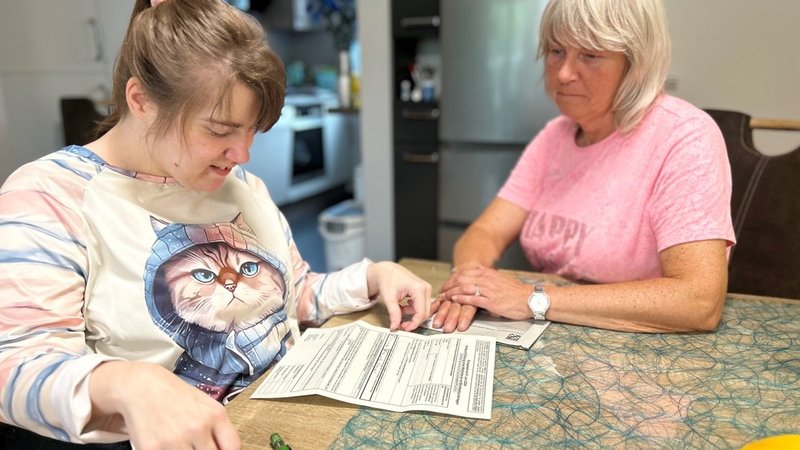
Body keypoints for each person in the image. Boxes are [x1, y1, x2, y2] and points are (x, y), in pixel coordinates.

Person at [0, 0, 431, 448]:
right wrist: (124, 383)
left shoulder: (243, 186)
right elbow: (16, 365)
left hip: (283, 419)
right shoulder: (48, 197)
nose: (242, 155)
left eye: (250, 131)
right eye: (220, 131)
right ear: (141, 101)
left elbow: (292, 296)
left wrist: (372, 277)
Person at [431, 0, 735, 334]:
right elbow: (484, 232)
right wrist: (470, 284)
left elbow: (698, 301)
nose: (563, 73)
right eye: (557, 51)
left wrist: (534, 300)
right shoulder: (554, 137)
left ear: (635, 64)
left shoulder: (685, 135)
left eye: (590, 55)